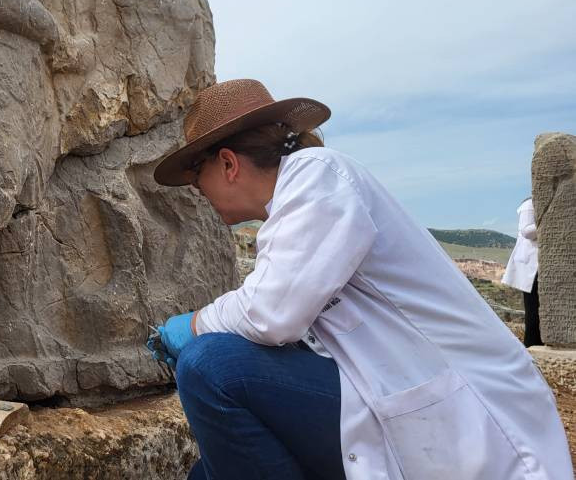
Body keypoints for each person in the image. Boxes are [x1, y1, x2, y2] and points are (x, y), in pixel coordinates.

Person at [149, 79, 572, 480]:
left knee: (210, 367)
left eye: (196, 173)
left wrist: (193, 325)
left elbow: (270, 313)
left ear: (227, 163)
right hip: (393, 398)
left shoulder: (317, 174)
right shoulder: (292, 207)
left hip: (468, 422)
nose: (195, 187)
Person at [502, 197, 542, 347]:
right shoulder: (529, 204)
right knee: (533, 310)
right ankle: (531, 344)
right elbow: (527, 231)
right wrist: (547, 223)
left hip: (541, 262)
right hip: (531, 264)